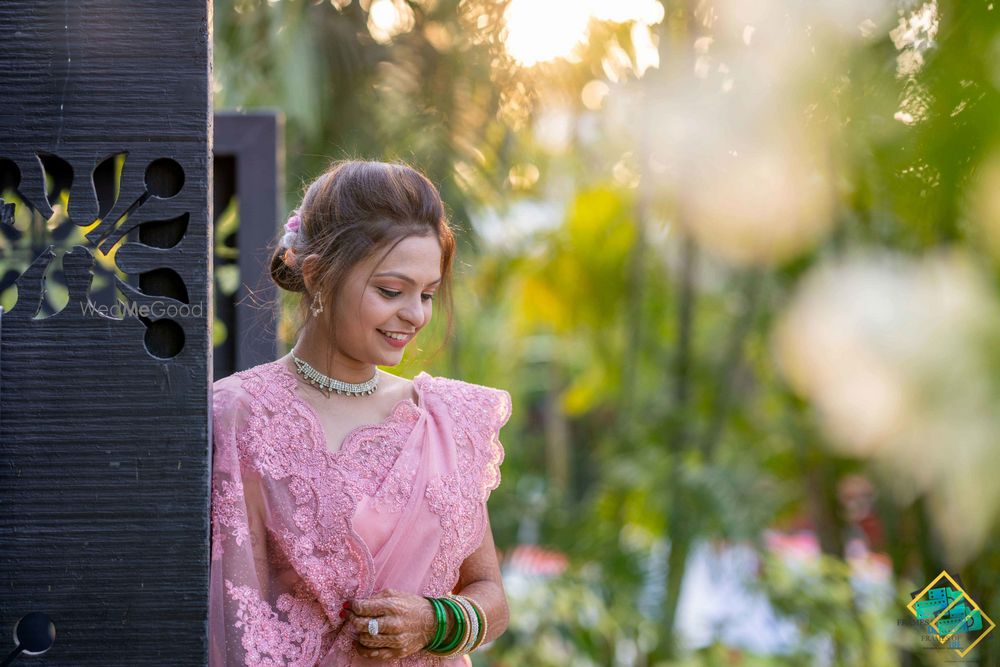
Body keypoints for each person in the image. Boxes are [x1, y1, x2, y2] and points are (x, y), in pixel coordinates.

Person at [209, 160, 512, 665]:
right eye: (391, 291)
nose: (415, 315)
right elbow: (236, 609)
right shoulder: (242, 414)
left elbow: (490, 594)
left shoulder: (446, 419)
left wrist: (436, 622)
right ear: (318, 276)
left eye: (428, 294)